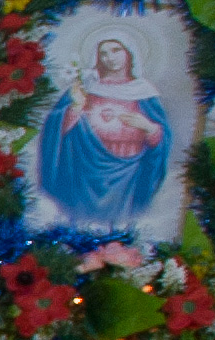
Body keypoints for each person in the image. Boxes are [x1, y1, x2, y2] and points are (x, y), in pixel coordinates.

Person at [33, 33, 173, 233]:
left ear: (129, 54)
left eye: (116, 50)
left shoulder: (144, 92)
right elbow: (53, 130)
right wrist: (75, 109)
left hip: (128, 176)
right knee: (79, 225)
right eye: (104, 53)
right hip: (84, 172)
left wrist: (149, 128)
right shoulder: (85, 87)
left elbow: (163, 137)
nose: (110, 58)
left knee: (121, 225)